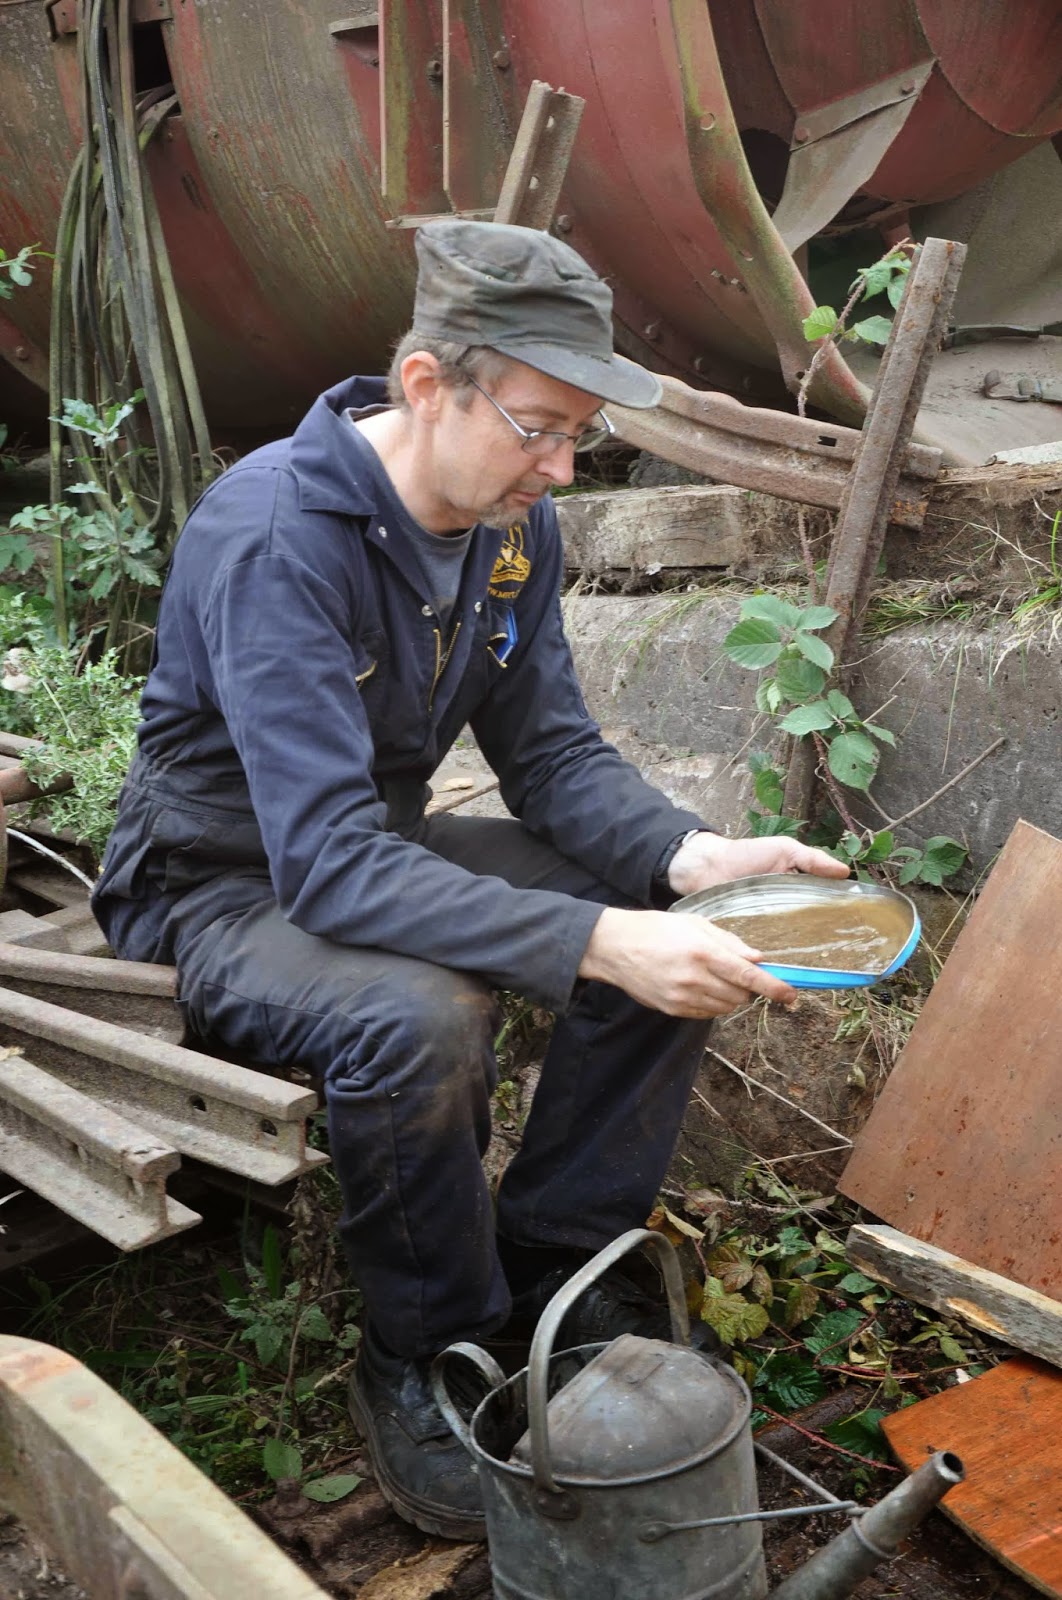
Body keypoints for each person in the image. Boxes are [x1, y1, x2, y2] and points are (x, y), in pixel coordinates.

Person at [93, 220, 847, 1539]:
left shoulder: (509, 532)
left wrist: (689, 855)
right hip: (223, 887)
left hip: (361, 848)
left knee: (668, 909)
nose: (557, 470)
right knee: (422, 1016)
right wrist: (591, 942)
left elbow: (550, 753)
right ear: (427, 385)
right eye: (536, 428)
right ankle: (425, 1348)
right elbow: (319, 866)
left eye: (575, 438)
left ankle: (554, 1261)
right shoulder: (279, 535)